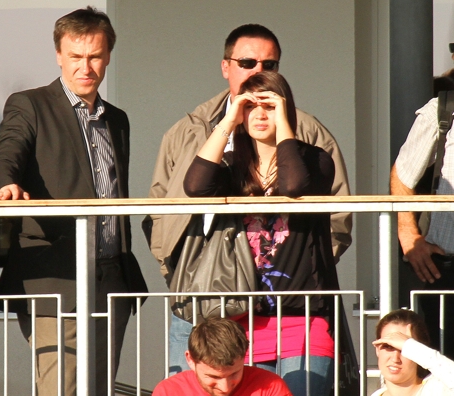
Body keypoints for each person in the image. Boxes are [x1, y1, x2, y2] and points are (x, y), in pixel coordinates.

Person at [143, 23, 351, 375]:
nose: (257, 71)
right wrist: (177, 269)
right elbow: (181, 195)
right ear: (226, 67)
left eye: (269, 66)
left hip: (295, 307)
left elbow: (308, 195)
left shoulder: (311, 140)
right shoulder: (193, 132)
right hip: (218, 301)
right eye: (247, 62)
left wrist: (306, 267)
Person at [0, 6, 148, 395]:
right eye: (75, 57)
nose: (85, 67)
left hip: (111, 275)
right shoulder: (30, 104)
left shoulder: (117, 119)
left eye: (94, 56)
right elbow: (8, 151)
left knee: (98, 389)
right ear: (59, 55)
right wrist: (6, 183)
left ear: (108, 55)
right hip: (56, 274)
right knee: (63, 387)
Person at [183, 71, 338, 396]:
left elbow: (294, 186)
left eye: (269, 106)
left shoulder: (316, 160)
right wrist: (228, 120)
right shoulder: (232, 166)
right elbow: (195, 186)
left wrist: (284, 126)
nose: (260, 114)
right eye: (251, 107)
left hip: (303, 319)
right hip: (245, 323)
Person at [390, 90, 454, 358]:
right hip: (445, 270)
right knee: (442, 369)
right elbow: (403, 175)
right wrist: (408, 236)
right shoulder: (442, 109)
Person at [152, 317, 293, 396]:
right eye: (213, 377)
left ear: (244, 355)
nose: (225, 387)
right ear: (190, 360)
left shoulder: (271, 387)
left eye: (234, 374)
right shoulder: (169, 391)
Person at [372, 309, 454, 395]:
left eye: (403, 349)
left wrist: (409, 346)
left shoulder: (437, 390)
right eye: (388, 347)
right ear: (377, 349)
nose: (395, 359)